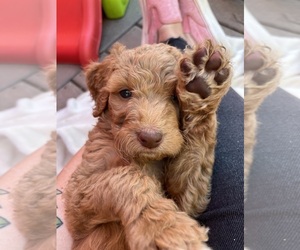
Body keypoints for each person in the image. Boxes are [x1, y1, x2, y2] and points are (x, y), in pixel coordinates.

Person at [57, 0, 244, 249]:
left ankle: (193, 95)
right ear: (101, 91)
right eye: (125, 94)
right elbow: (79, 204)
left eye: (174, 98)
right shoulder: (105, 139)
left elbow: (189, 200)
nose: (149, 128)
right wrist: (133, 193)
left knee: (197, 135)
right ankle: (176, 37)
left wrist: (201, 121)